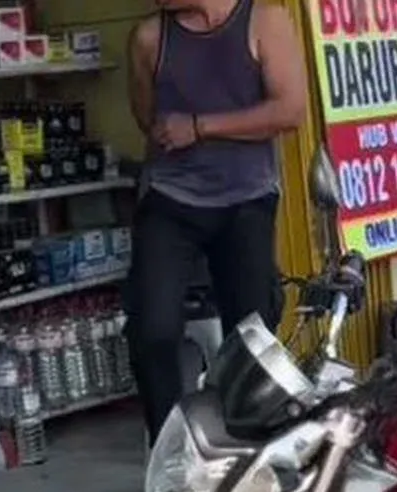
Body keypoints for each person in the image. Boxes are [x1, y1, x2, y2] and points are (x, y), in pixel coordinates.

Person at [125, 0, 307, 443]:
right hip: (172, 199)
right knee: (151, 330)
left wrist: (200, 126)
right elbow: (148, 119)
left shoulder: (264, 20)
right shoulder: (149, 38)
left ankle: (250, 444)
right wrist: (177, 135)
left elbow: (290, 111)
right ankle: (171, 448)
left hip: (247, 199)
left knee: (251, 337)